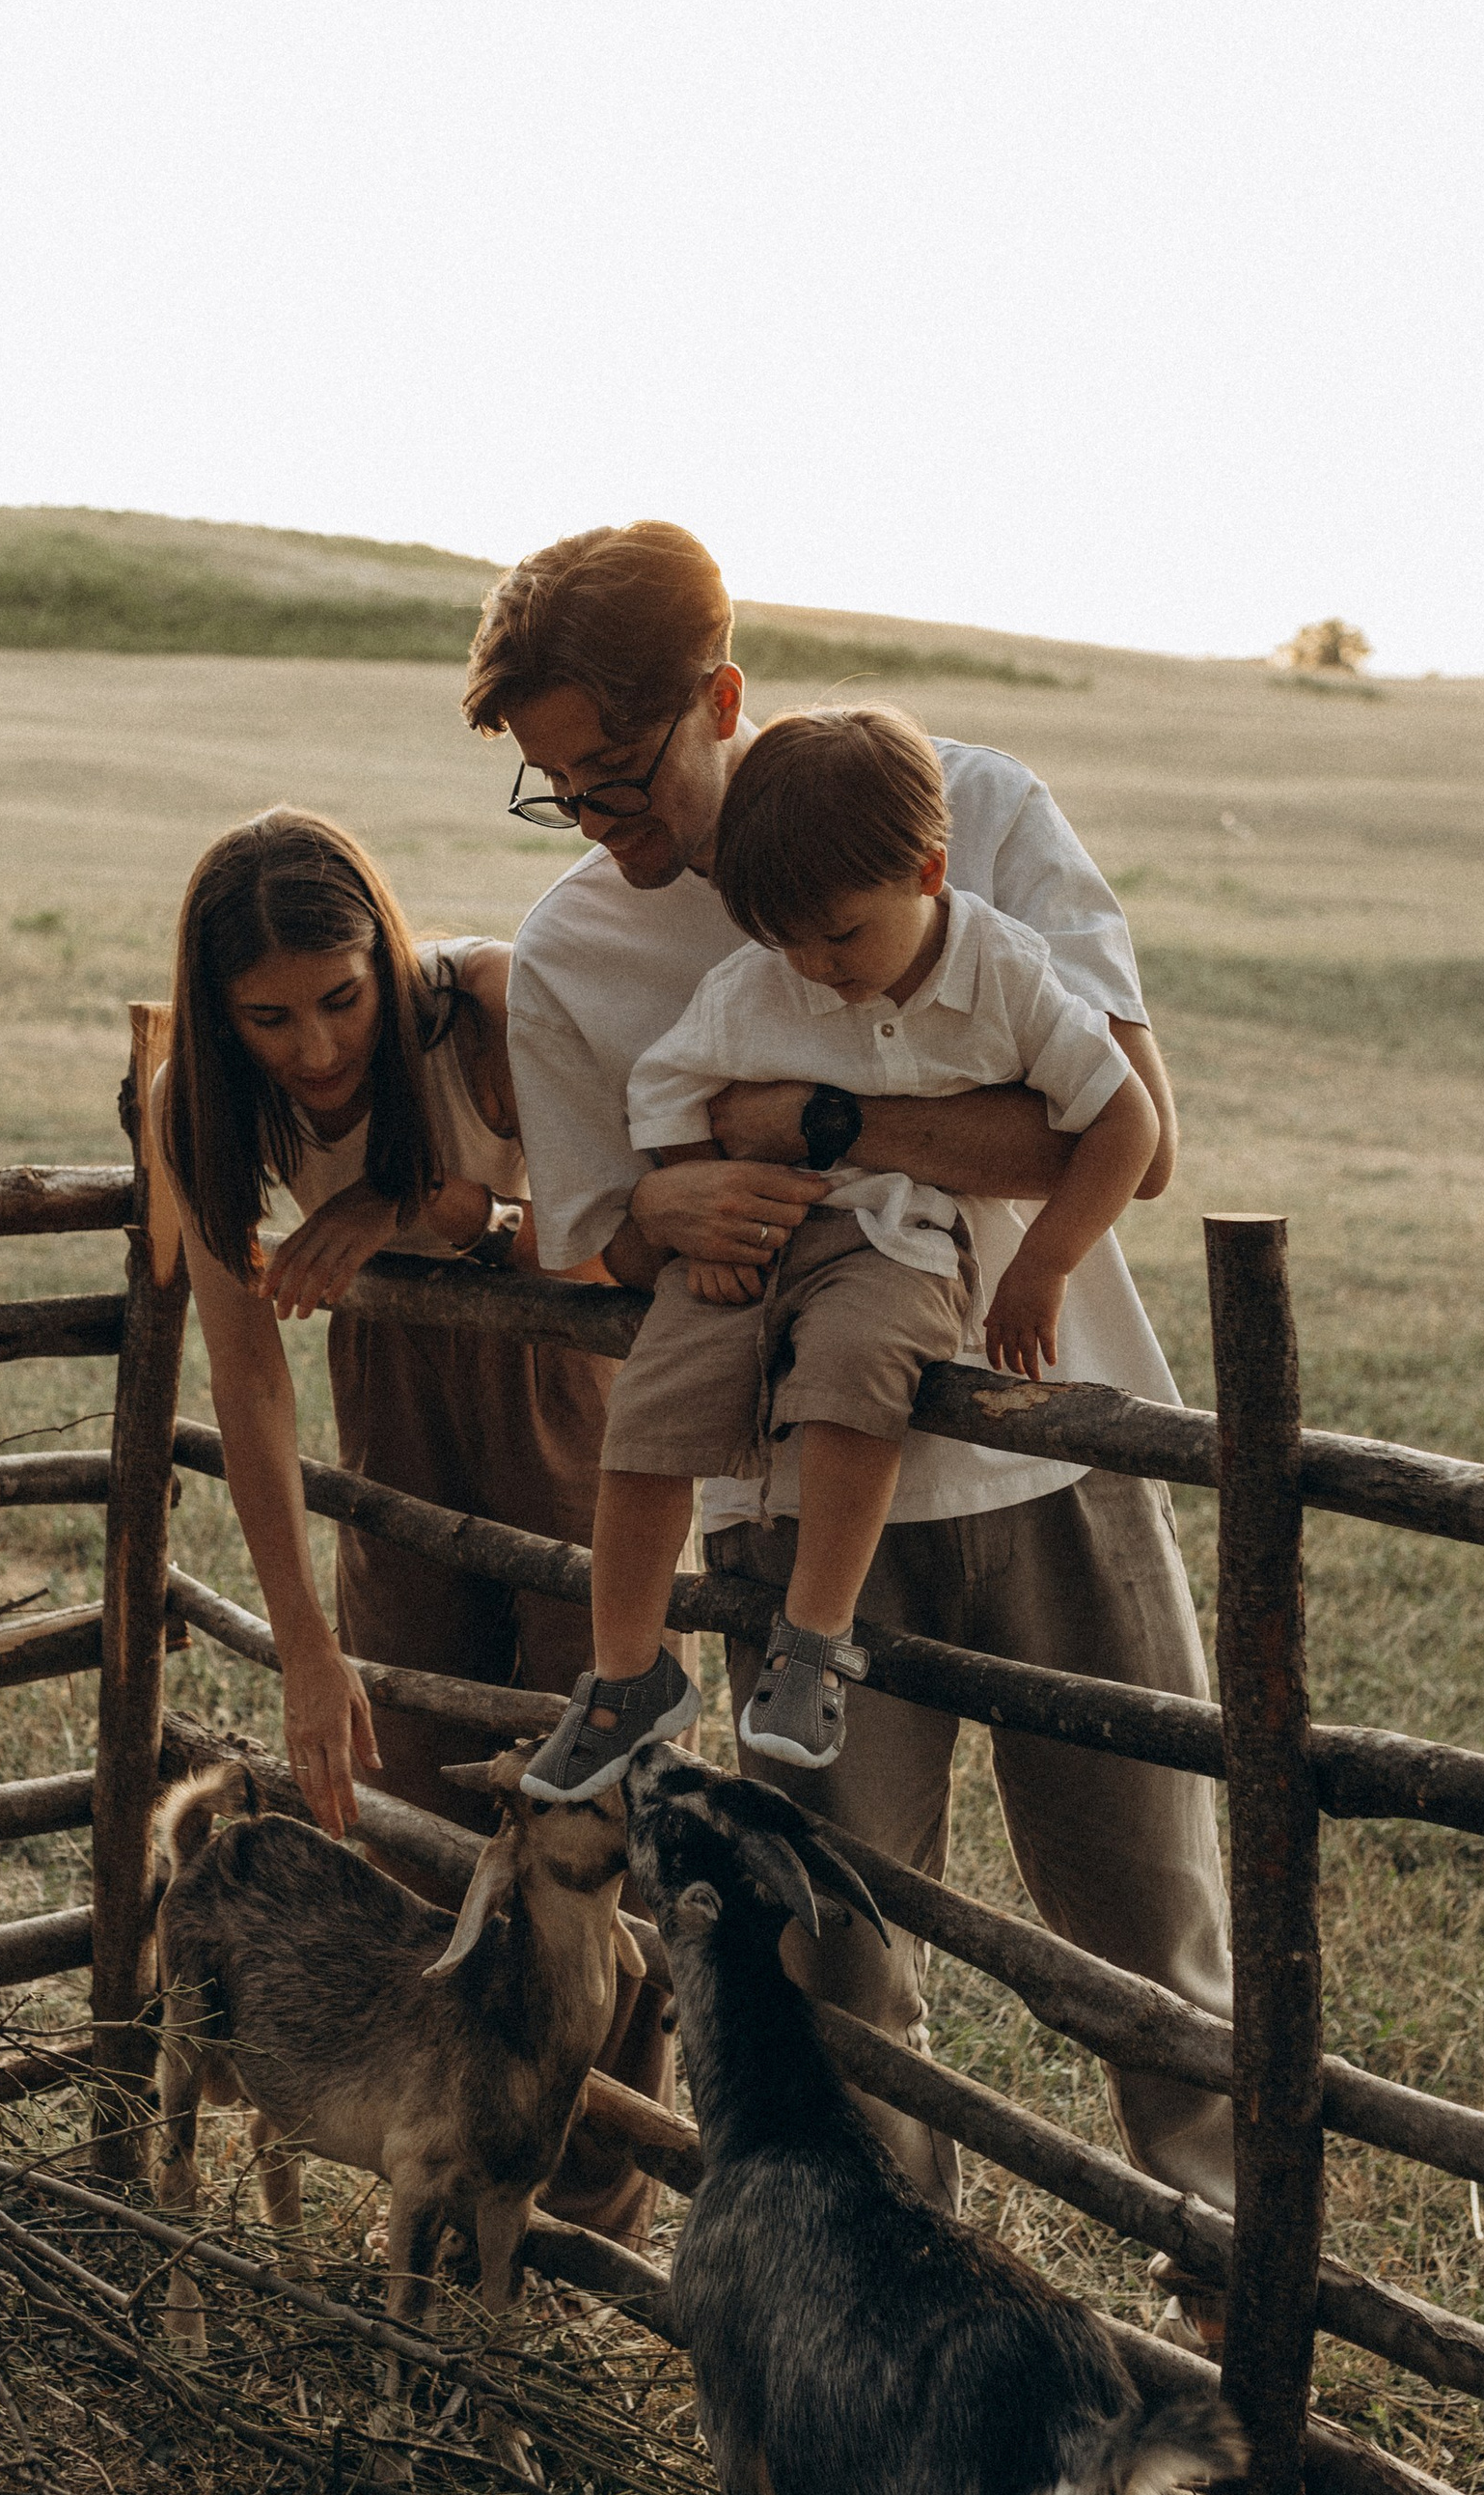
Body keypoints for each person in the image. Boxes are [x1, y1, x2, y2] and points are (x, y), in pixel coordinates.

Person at [464, 521, 1236, 2260]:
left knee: (1146, 1925)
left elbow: (1125, 1131)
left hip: (1052, 1454)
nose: (602, 822)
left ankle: (1225, 2291)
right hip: (785, 1502)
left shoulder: (964, 808)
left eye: (619, 774)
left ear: (719, 696)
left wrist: (807, 1128)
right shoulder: (576, 950)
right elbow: (595, 1235)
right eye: (559, 793)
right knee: (832, 1952)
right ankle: (895, 2330)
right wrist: (669, 1200)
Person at [156, 804, 671, 2236]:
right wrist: (305, 1649)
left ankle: (593, 2206)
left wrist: (418, 1207)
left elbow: (603, 1242)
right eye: (267, 1018)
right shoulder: (196, 1105)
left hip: (566, 1398)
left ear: (385, 956)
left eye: (341, 998)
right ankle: (449, 2177)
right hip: (389, 1413)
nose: (314, 1049)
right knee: (422, 1801)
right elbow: (250, 1382)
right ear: (216, 1015)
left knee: (585, 1796)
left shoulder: (488, 1011)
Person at [525, 705, 1159, 1798]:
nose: (819, 969)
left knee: (849, 1379)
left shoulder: (1003, 970)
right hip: (760, 1250)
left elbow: (1128, 1125)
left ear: (927, 870)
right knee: (644, 1419)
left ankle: (814, 1635)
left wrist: (1042, 1265)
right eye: (790, 943)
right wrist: (691, 1193)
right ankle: (628, 1675)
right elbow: (664, 1086)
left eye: (840, 936)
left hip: (897, 1247)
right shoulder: (761, 981)